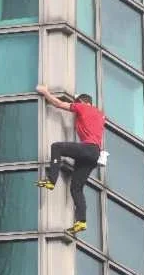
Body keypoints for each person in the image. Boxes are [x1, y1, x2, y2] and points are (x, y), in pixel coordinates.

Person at [34, 85, 106, 237]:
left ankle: (51, 180)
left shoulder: (82, 107)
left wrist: (45, 92)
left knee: (57, 147)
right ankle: (81, 221)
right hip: (94, 154)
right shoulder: (100, 115)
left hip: (87, 148)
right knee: (76, 188)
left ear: (82, 102)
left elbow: (59, 104)